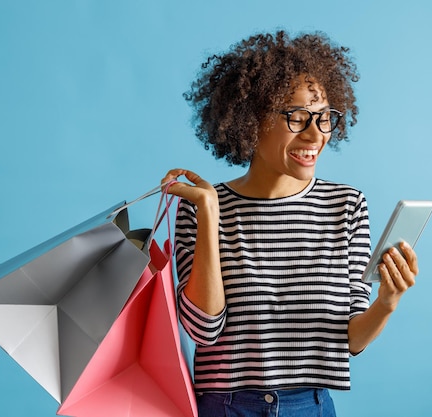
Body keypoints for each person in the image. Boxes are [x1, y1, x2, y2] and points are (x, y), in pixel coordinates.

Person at [161, 30, 418, 417]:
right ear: (252, 119)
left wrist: (387, 302)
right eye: (297, 117)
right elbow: (202, 329)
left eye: (324, 117)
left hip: (311, 406)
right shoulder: (200, 208)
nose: (316, 134)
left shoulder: (346, 206)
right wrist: (210, 215)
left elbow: (348, 338)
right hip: (225, 407)